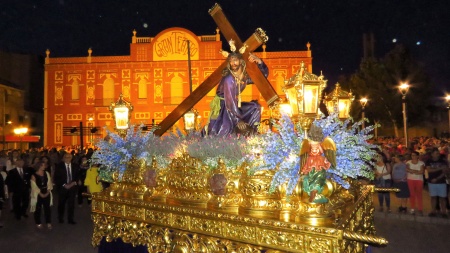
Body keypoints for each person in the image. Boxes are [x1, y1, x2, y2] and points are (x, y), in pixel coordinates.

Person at [204, 48, 268, 136]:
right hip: (224, 107)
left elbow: (261, 78)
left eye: (235, 60)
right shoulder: (229, 79)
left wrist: (259, 61)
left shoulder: (244, 77)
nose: (233, 63)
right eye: (230, 61)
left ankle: (252, 134)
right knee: (226, 130)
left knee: (255, 107)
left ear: (241, 61)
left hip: (234, 106)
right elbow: (229, 102)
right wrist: (238, 120)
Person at [54, 153, 79, 224]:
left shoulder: (75, 166)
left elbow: (77, 176)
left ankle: (70, 219)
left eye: (69, 157)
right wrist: (64, 184)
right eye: (66, 157)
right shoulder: (59, 166)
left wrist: (73, 183)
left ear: (71, 158)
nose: (67, 158)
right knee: (61, 203)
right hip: (63, 188)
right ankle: (60, 218)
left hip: (72, 188)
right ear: (63, 158)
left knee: (71, 204)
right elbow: (56, 177)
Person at [425, 148, 448, 218]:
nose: (438, 154)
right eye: (436, 153)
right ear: (432, 154)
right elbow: (429, 170)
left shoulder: (443, 161)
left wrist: (437, 178)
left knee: (442, 198)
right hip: (431, 181)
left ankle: (444, 211)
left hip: (441, 181)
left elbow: (445, 172)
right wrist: (440, 168)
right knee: (433, 197)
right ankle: (433, 211)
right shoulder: (429, 161)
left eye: (438, 153)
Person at [30, 162, 53, 229]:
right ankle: (38, 222)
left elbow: (49, 183)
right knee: (38, 209)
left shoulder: (46, 173)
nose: (44, 166)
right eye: (42, 165)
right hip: (38, 193)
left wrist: (48, 191)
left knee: (47, 208)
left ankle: (48, 222)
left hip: (46, 191)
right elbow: (34, 186)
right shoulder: (34, 175)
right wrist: (40, 194)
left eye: (44, 165)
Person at [406, 151, 425, 215]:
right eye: (412, 155)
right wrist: (416, 171)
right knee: (412, 194)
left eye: (414, 155)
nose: (413, 157)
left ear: (417, 156)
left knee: (419, 194)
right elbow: (407, 169)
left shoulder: (421, 163)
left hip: (419, 179)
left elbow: (421, 172)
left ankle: (420, 208)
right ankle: (412, 208)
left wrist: (412, 171)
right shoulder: (408, 162)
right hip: (410, 179)